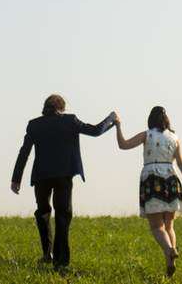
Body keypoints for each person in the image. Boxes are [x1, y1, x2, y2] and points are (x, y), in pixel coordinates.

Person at [11, 94, 117, 274]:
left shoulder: (34, 124)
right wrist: (111, 119)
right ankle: (61, 263)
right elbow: (95, 130)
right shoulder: (70, 121)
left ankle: (47, 254)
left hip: (42, 177)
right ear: (62, 108)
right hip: (63, 176)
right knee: (63, 215)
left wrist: (16, 178)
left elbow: (24, 152)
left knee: (42, 212)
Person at [115, 106, 182, 278]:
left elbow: (123, 145)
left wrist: (117, 126)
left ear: (151, 120)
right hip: (172, 180)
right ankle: (169, 261)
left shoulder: (147, 135)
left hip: (152, 179)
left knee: (156, 226)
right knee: (169, 226)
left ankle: (169, 250)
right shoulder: (175, 138)